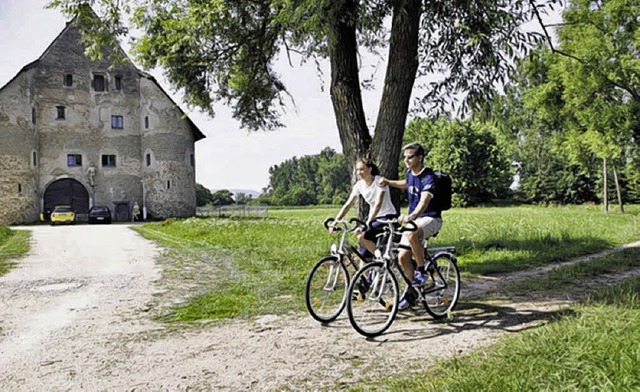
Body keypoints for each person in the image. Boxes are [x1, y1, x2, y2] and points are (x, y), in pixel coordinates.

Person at [379, 142, 443, 310]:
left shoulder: (429, 177)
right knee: (402, 257)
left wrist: (412, 215)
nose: (406, 160)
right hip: (415, 220)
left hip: (431, 218)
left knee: (412, 233)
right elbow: (406, 184)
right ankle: (411, 293)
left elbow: (424, 200)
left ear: (420, 158)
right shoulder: (410, 173)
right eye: (405, 157)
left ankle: (421, 272)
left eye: (410, 157)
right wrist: (388, 182)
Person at [332, 158, 397, 263]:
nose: (359, 173)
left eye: (362, 169)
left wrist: (367, 223)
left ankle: (381, 259)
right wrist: (336, 221)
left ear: (370, 169)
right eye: (357, 170)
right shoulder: (359, 185)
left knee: (362, 236)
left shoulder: (379, 181)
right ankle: (366, 279)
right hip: (374, 219)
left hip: (387, 217)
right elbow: (348, 204)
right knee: (363, 256)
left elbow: (378, 204)